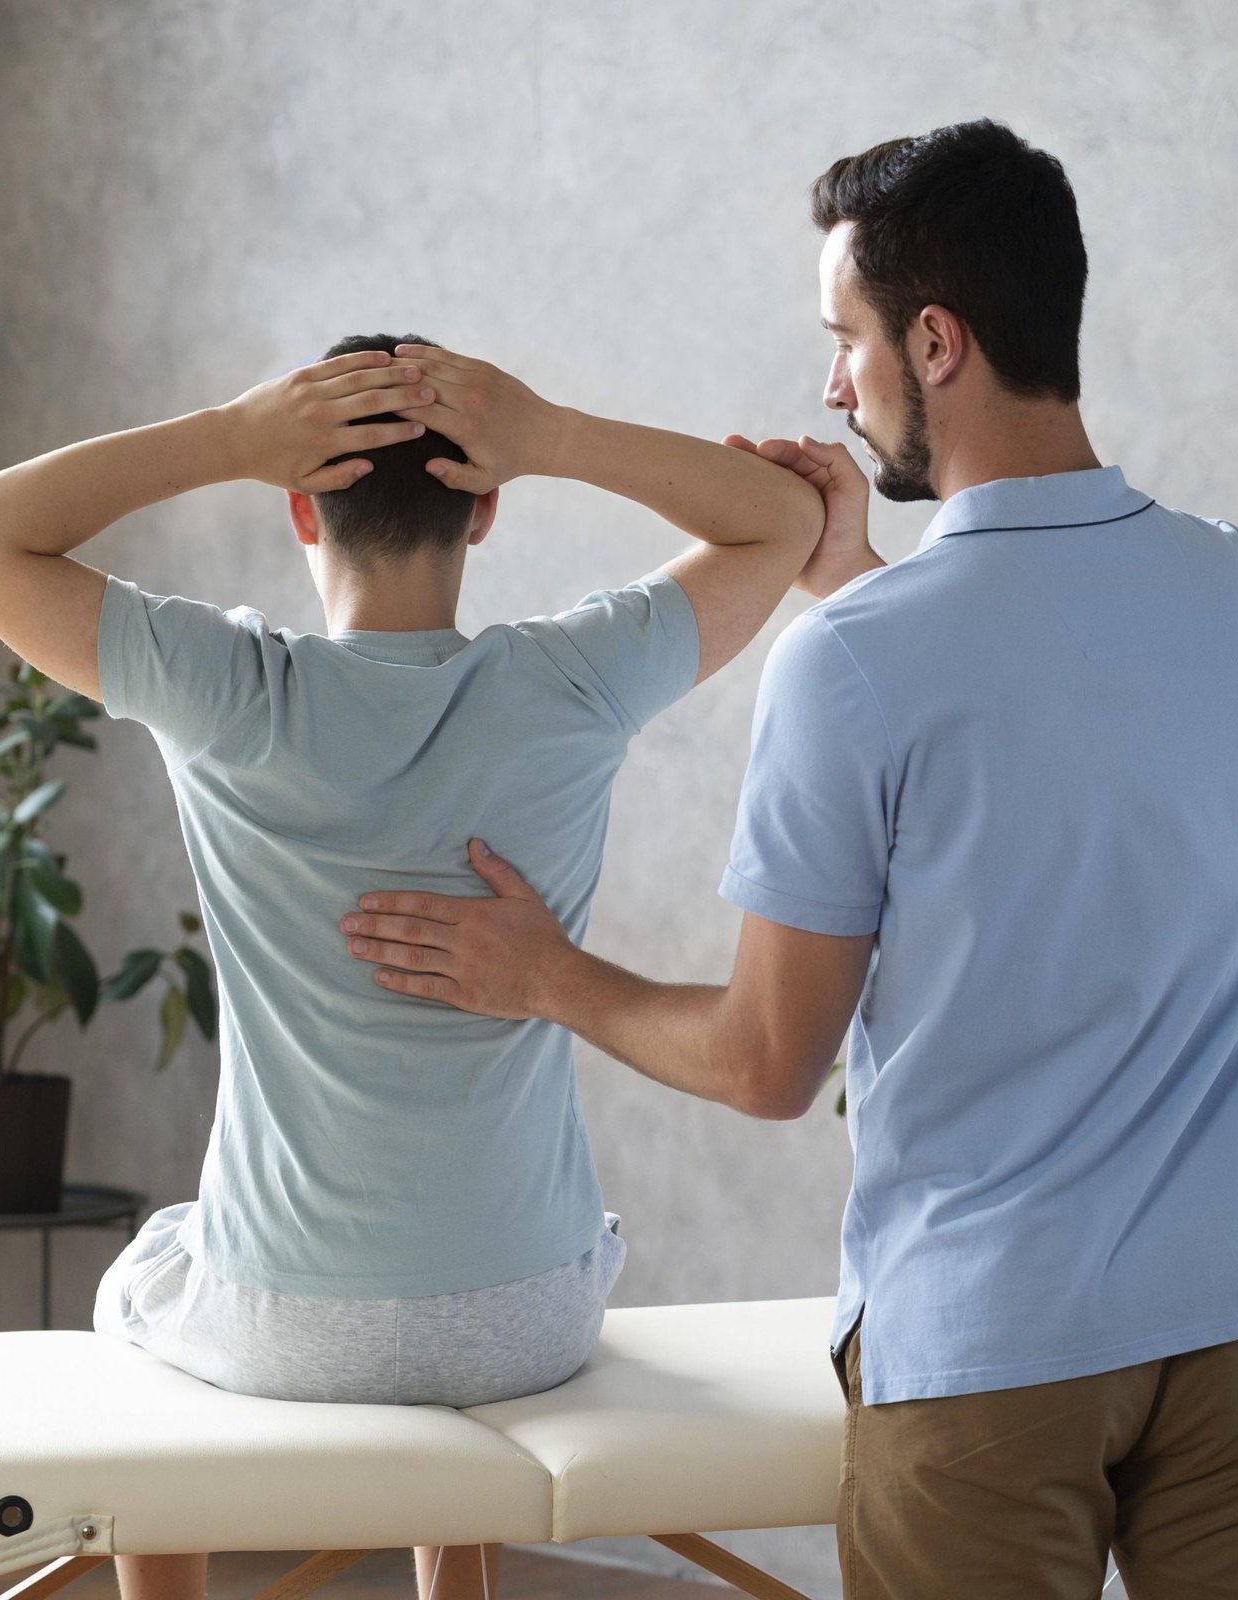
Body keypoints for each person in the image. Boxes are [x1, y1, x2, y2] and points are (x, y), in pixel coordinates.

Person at [340, 122, 1238, 1599]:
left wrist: (551, 977)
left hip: (993, 1351)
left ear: (935, 341)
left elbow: (767, 1062)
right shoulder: (1213, 584)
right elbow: (1061, 733)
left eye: (847, 339)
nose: (834, 382)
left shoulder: (861, 663)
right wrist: (857, 586)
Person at [0, 333, 822, 1600]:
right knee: (417, 1277)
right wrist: (554, 427)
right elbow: (783, 522)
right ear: (487, 506)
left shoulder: (227, 692)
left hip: (289, 1328)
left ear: (297, 502)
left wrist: (228, 434)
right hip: (526, 1319)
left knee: (154, 1272)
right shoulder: (569, 681)